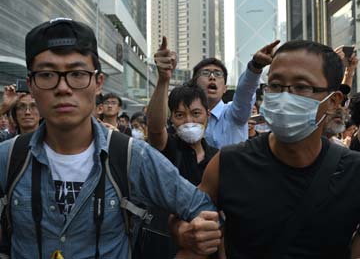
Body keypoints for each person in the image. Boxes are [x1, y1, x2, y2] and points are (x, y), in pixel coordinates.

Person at [0, 18, 221, 258]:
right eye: (47, 74)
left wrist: (179, 231)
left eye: (77, 73)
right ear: (31, 85)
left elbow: (203, 212)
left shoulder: (131, 156)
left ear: (98, 83)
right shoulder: (8, 158)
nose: (63, 87)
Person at [177, 40, 360, 258]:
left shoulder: (353, 172)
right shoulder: (229, 163)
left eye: (301, 87)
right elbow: (187, 221)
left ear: (333, 101)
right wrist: (182, 232)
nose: (285, 97)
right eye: (275, 85)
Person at [146, 37, 219, 258]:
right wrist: (163, 80)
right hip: (166, 244)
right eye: (180, 115)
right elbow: (155, 128)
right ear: (172, 120)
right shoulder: (169, 148)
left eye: (195, 113)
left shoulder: (218, 158)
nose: (189, 120)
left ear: (207, 115)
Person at [188, 40, 280, 148]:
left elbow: (245, 92)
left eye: (218, 74)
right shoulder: (185, 117)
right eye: (205, 73)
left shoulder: (235, 114)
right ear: (194, 84)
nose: (212, 77)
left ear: (224, 88)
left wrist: (256, 65)